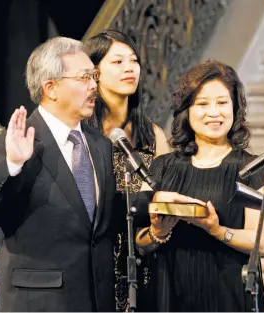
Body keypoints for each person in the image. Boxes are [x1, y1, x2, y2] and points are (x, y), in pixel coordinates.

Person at [0, 37, 119, 312]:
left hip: (98, 301)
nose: (93, 85)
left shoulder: (101, 145)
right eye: (85, 77)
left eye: (94, 76)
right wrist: (14, 164)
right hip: (39, 303)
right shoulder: (14, 141)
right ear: (51, 88)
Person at [135, 59, 264, 312]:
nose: (214, 113)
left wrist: (217, 229)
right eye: (202, 104)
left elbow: (260, 243)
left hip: (228, 294)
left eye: (222, 103)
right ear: (186, 111)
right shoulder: (163, 166)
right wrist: (157, 231)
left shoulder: (254, 168)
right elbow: (139, 243)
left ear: (235, 108)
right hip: (170, 294)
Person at [83, 30, 170, 312]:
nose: (129, 68)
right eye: (117, 62)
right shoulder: (83, 134)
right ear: (94, 72)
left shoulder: (152, 135)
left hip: (145, 265)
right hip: (93, 269)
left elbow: (165, 199)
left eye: (133, 61)